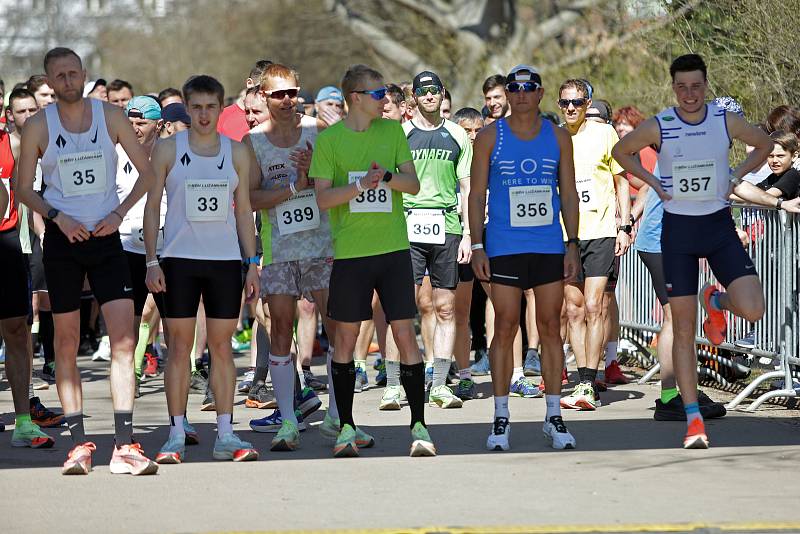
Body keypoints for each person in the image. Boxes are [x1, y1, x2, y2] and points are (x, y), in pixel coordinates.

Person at [612, 53, 800, 449]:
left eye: (696, 85)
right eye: (682, 86)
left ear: (705, 84)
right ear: (674, 86)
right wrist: (654, 182)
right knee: (682, 328)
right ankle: (693, 419)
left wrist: (736, 174)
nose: (690, 93)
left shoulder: (723, 119)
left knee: (754, 308)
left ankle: (716, 299)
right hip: (678, 233)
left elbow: (765, 144)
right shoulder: (660, 124)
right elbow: (621, 152)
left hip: (717, 228)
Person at [17, 47, 158, 475]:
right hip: (64, 241)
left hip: (106, 239)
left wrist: (117, 214)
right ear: (48, 81)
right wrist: (58, 218)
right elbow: (25, 189)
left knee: (124, 341)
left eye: (73, 73)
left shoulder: (110, 118)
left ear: (83, 74)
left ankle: (124, 442)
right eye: (58, 76)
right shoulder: (41, 126)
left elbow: (148, 175)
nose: (67, 80)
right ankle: (78, 443)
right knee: (65, 341)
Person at [310, 64, 436, 457]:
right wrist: (359, 186)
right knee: (345, 340)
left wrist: (384, 180)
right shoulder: (330, 141)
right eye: (378, 93)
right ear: (356, 98)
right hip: (350, 254)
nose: (385, 99)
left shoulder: (392, 131)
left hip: (394, 250)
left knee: (404, 335)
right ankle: (346, 426)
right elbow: (323, 198)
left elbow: (412, 184)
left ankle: (419, 425)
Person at [144, 74, 260, 464]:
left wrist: (252, 263)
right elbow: (151, 207)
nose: (205, 114)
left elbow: (243, 210)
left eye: (212, 106)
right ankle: (176, 432)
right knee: (179, 348)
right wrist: (151, 260)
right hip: (178, 261)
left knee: (223, 347)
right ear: (186, 108)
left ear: (221, 107)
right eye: (197, 107)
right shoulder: (166, 150)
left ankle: (226, 434)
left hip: (225, 262)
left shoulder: (236, 152)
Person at [469, 65, 580, 451]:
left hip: (548, 244)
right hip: (502, 245)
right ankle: (501, 417)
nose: (519, 95)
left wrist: (573, 243)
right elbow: (476, 194)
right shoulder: (488, 137)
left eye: (527, 88)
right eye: (512, 89)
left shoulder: (559, 137)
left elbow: (568, 192)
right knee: (505, 325)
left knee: (551, 327)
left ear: (539, 93)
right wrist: (478, 245)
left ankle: (553, 415)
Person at [243, 63, 342, 451]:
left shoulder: (320, 131)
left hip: (322, 245)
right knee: (281, 328)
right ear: (264, 96)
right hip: (281, 249)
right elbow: (250, 198)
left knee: (337, 328)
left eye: (292, 93)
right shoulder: (252, 142)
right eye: (278, 94)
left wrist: (314, 177)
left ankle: (338, 415)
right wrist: (292, 187)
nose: (287, 101)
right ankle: (288, 420)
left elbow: (335, 185)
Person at [400, 70, 473, 409]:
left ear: (443, 94)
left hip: (447, 225)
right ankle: (399, 380)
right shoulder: (401, 134)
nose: (429, 96)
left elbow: (467, 188)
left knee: (446, 307)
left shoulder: (458, 134)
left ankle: (441, 384)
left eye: (434, 91)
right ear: (413, 97)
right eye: (422, 91)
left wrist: (469, 235)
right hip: (408, 224)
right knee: (404, 306)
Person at [557, 78, 630, 411]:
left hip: (600, 230)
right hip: (563, 235)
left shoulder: (604, 134)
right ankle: (581, 380)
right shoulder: (553, 137)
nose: (571, 108)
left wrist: (624, 226)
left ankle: (588, 379)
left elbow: (621, 180)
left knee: (593, 305)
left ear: (587, 104)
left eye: (577, 102)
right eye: (565, 103)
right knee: (572, 310)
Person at [0, 90, 58, 449]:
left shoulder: (15, 143)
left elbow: (27, 193)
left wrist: (50, 225)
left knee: (17, 331)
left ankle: (23, 421)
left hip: (6, 245)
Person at [218, 59, 272, 142]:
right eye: (262, 91)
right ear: (250, 84)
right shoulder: (221, 117)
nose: (266, 97)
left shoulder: (281, 117)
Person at [753, 131, 800, 199]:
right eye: (770, 156)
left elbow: (765, 196)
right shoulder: (772, 177)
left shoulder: (793, 175)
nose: (774, 161)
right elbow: (754, 191)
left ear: (794, 156)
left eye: (780, 156)